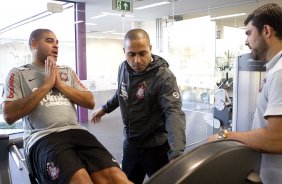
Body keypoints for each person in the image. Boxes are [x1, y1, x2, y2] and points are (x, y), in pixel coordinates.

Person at [2, 28, 133, 184]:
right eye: (50, 41)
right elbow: (9, 115)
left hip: (76, 131)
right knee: (80, 180)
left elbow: (89, 101)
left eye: (57, 42)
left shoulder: (66, 71)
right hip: (43, 136)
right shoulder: (18, 74)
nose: (56, 46)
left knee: (116, 177)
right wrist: (47, 85)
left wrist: (60, 85)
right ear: (34, 44)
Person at [91, 28, 186, 184]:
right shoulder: (123, 68)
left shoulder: (163, 76)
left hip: (155, 147)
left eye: (142, 53)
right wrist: (105, 109)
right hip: (131, 145)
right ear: (124, 52)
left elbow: (173, 112)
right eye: (131, 54)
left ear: (150, 49)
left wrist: (177, 153)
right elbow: (121, 92)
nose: (137, 60)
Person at [209, 3, 282, 184]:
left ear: (266, 31)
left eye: (249, 33)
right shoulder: (274, 71)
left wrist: (226, 136)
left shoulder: (280, 73)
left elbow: (276, 139)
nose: (246, 41)